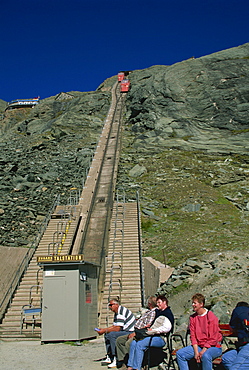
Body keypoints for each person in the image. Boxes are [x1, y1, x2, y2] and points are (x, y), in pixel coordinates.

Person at [126, 295, 174, 370]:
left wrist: (154, 331)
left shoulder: (167, 314)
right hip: (151, 335)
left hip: (161, 338)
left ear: (164, 302)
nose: (158, 304)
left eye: (159, 302)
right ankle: (130, 365)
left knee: (140, 344)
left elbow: (167, 328)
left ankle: (137, 367)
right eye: (157, 303)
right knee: (133, 343)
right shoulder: (158, 312)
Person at [176, 293, 222, 370]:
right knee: (180, 354)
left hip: (213, 347)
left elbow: (213, 339)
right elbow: (193, 336)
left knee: (206, 356)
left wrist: (203, 351)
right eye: (192, 303)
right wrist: (196, 352)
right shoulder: (193, 318)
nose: (193, 305)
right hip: (199, 346)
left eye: (195, 303)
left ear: (201, 304)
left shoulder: (211, 316)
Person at [115, 296, 158, 369]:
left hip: (141, 333)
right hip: (136, 331)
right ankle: (123, 361)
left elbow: (147, 326)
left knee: (129, 343)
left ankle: (132, 363)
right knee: (119, 340)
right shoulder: (148, 312)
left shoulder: (153, 312)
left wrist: (136, 333)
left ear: (150, 304)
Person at [97, 298, 136, 368]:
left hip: (130, 331)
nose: (109, 307)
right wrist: (104, 330)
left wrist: (104, 330)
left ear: (116, 305)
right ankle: (110, 355)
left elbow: (117, 328)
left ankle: (116, 358)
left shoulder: (121, 312)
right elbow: (114, 326)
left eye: (111, 305)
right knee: (107, 334)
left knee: (112, 335)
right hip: (124, 330)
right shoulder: (117, 313)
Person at [222, 301, 249, 369]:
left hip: (247, 346)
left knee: (235, 368)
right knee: (227, 358)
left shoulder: (238, 310)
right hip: (241, 347)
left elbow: (231, 328)